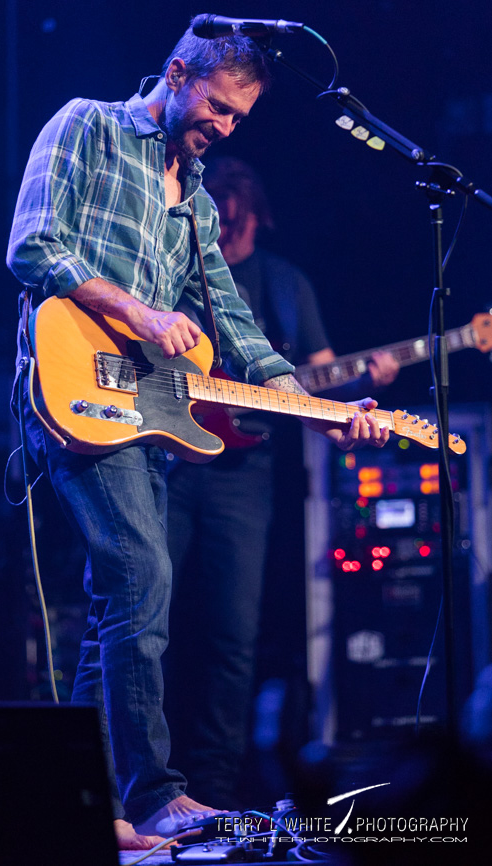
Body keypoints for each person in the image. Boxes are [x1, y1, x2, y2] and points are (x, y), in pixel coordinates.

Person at [6, 21, 389, 850]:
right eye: (214, 107)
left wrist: (310, 401)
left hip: (142, 410)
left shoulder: (201, 200)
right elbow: (32, 245)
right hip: (68, 384)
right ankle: (155, 796)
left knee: (127, 598)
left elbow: (237, 321)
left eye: (238, 119)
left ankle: (87, 801)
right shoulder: (88, 125)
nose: (222, 126)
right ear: (177, 73)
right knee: (141, 576)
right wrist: (139, 310)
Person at [164, 157, 399, 809]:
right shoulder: (182, 273)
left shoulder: (287, 285)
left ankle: (209, 791)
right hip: (169, 462)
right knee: (148, 624)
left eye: (239, 226)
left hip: (245, 475)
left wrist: (363, 385)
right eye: (222, 225)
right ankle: (137, 786)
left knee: (231, 635)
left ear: (256, 218)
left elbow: (321, 375)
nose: (230, 238)